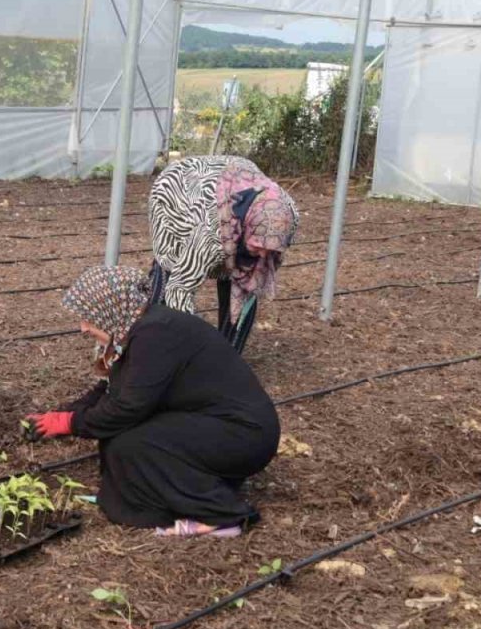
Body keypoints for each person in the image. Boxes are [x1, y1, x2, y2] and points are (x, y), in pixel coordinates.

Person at [24, 266, 280, 537]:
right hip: (216, 426)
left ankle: (222, 516)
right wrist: (59, 415)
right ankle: (189, 491)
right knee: (123, 442)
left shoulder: (156, 335)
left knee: (135, 445)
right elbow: (111, 390)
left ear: (111, 309)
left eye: (89, 318)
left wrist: (69, 423)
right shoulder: (142, 329)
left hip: (242, 434)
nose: (84, 328)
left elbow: (127, 407)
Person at [146, 155, 299, 351]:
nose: (263, 254)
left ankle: (228, 353)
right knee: (166, 282)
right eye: (259, 245)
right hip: (178, 192)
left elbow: (257, 272)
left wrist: (221, 359)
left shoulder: (287, 216)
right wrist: (198, 343)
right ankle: (153, 348)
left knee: (248, 281)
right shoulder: (211, 232)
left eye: (269, 248)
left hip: (235, 186)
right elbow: (179, 289)